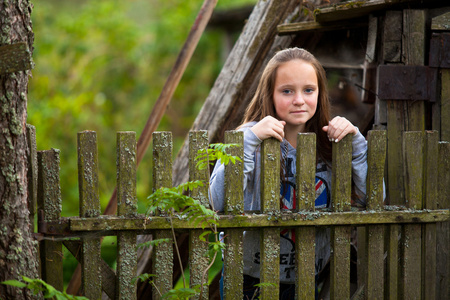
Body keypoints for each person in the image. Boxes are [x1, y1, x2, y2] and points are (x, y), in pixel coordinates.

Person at [209, 47, 368, 299]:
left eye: (308, 90)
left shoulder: (330, 144)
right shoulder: (248, 138)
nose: (299, 100)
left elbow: (371, 200)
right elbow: (219, 201)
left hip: (308, 280)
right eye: (286, 91)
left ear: (320, 93)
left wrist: (357, 146)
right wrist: (250, 140)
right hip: (250, 281)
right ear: (269, 94)